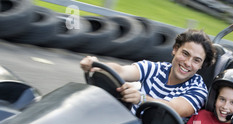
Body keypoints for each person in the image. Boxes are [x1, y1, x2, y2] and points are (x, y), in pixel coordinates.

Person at [80, 29, 216, 118]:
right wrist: (97, 65)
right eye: (185, 54)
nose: (187, 63)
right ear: (175, 49)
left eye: (196, 60)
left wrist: (142, 98)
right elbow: (121, 71)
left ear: (201, 66)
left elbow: (173, 108)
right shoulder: (156, 68)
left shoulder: (198, 90)